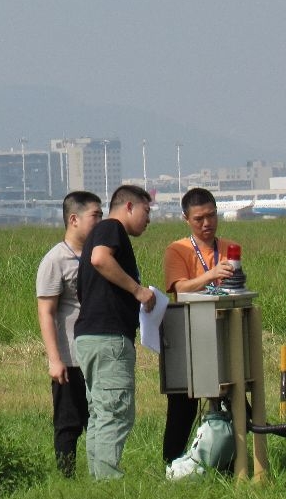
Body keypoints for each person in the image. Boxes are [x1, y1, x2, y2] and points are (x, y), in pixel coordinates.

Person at [74, 184, 162, 480]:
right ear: (128, 207)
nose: (148, 219)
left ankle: (99, 482)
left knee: (100, 414)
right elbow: (100, 259)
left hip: (90, 337)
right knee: (115, 412)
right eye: (146, 211)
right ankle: (109, 484)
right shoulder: (111, 229)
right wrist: (137, 291)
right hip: (108, 337)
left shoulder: (99, 233)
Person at [161, 186, 242, 464]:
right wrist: (210, 275)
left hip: (224, 331)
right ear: (186, 219)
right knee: (183, 407)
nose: (207, 223)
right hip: (190, 336)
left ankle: (230, 462)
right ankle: (172, 463)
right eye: (199, 219)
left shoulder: (228, 247)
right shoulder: (178, 250)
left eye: (211, 216)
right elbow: (180, 289)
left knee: (232, 400)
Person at [35, 191, 104, 477]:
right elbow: (46, 312)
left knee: (99, 419)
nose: (101, 221)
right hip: (70, 356)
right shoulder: (55, 260)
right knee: (68, 421)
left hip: (97, 353)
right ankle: (67, 477)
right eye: (95, 216)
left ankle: (102, 474)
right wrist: (55, 359)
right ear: (74, 219)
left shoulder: (99, 256)